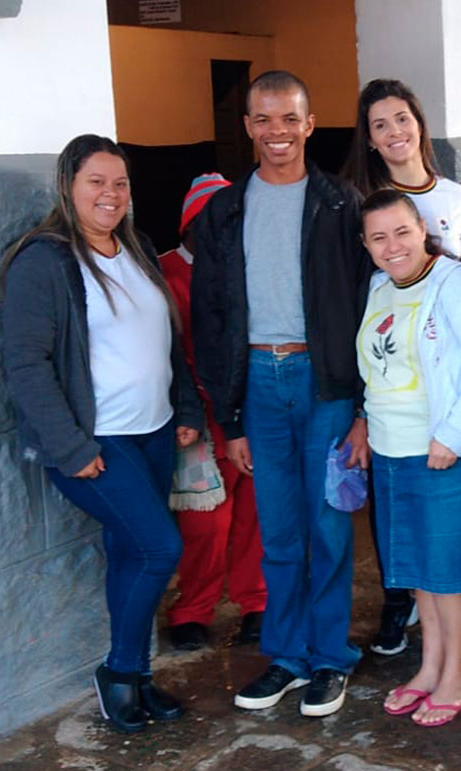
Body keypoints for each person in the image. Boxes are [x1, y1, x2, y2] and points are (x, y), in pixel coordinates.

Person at [0, 134, 205, 734]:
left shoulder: (135, 246)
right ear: (68, 187)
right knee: (161, 548)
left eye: (120, 184)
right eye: (97, 182)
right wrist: (71, 447)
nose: (110, 195)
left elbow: (166, 336)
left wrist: (186, 406)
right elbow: (26, 364)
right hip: (100, 441)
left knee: (128, 551)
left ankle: (138, 677)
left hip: (155, 431)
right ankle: (119, 671)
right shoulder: (45, 260)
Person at [188, 71, 372, 719]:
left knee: (327, 523)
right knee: (280, 529)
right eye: (263, 119)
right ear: (247, 127)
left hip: (322, 381)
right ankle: (288, 656)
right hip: (258, 384)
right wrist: (230, 415)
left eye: (288, 119)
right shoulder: (224, 211)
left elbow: (365, 306)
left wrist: (361, 410)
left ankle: (329, 658)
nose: (276, 133)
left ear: (309, 123)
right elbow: (210, 317)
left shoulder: (340, 204)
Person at [357, 190, 461, 727]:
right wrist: (368, 426)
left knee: (449, 573)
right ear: (366, 246)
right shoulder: (377, 289)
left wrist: (453, 435)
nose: (392, 247)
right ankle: (428, 666)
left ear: (422, 229)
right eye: (378, 238)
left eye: (401, 232)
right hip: (392, 450)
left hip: (444, 451)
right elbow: (375, 368)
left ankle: (453, 677)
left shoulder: (456, 284)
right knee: (418, 570)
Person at [158, 173, 269, 651]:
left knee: (255, 516)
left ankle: (257, 603)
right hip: (198, 418)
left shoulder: (250, 267)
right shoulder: (163, 273)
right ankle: (193, 608)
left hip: (254, 409)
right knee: (206, 521)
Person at [344, 78, 461, 257]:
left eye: (402, 119)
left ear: (419, 125)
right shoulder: (359, 201)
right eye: (380, 125)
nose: (395, 131)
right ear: (369, 139)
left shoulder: (458, 196)